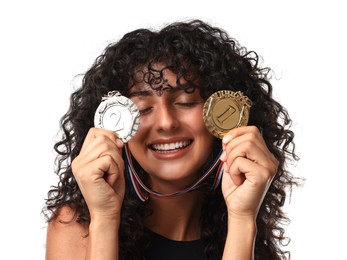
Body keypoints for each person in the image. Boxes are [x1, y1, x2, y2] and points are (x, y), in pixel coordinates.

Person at [42, 19, 299, 260]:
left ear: (222, 114)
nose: (166, 122)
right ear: (113, 127)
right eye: (142, 108)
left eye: (185, 101)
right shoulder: (77, 226)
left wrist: (242, 219)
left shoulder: (247, 235)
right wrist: (105, 218)